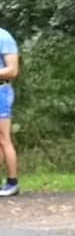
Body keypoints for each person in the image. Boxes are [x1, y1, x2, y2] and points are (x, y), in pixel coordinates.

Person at [0, 26, 20, 198]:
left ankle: (12, 182)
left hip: (1, 92)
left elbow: (12, 70)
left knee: (3, 138)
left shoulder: (4, 37)